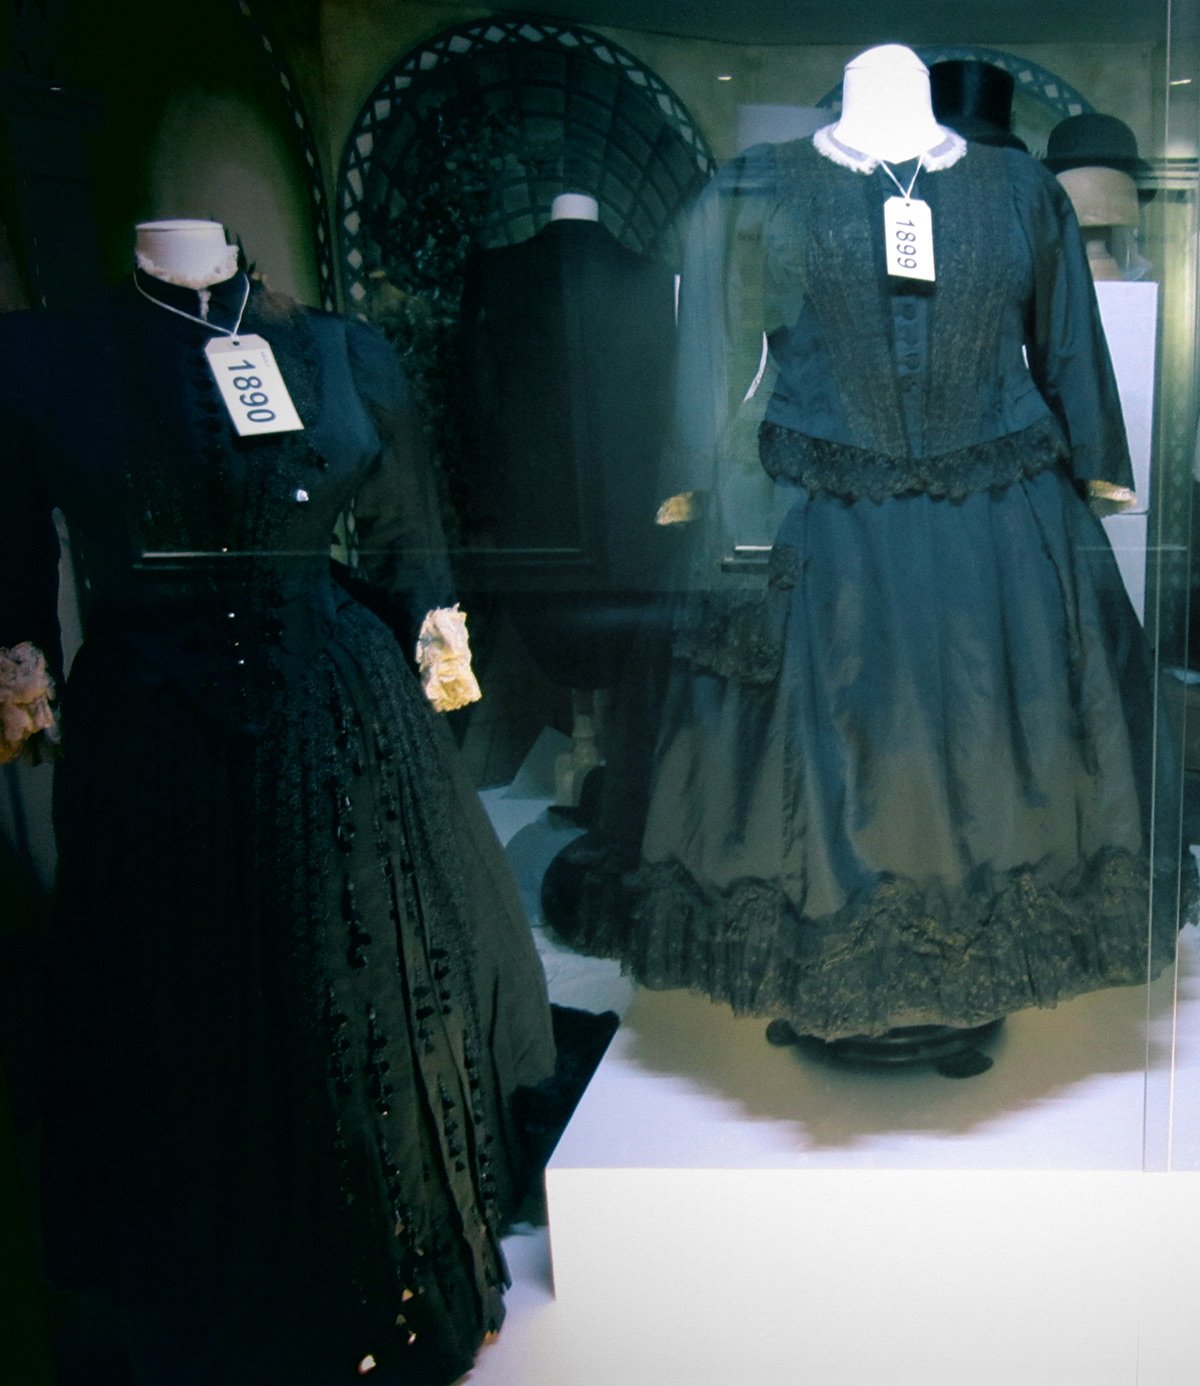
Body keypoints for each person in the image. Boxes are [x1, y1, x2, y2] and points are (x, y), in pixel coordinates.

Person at [0, 220, 556, 1385]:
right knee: (187, 1014)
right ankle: (232, 1316)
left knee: (365, 988)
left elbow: (406, 529)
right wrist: (21, 658)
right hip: (154, 740)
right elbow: (13, 551)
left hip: (340, 713)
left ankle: (401, 1282)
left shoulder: (343, 352)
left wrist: (435, 634)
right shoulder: (44, 358)